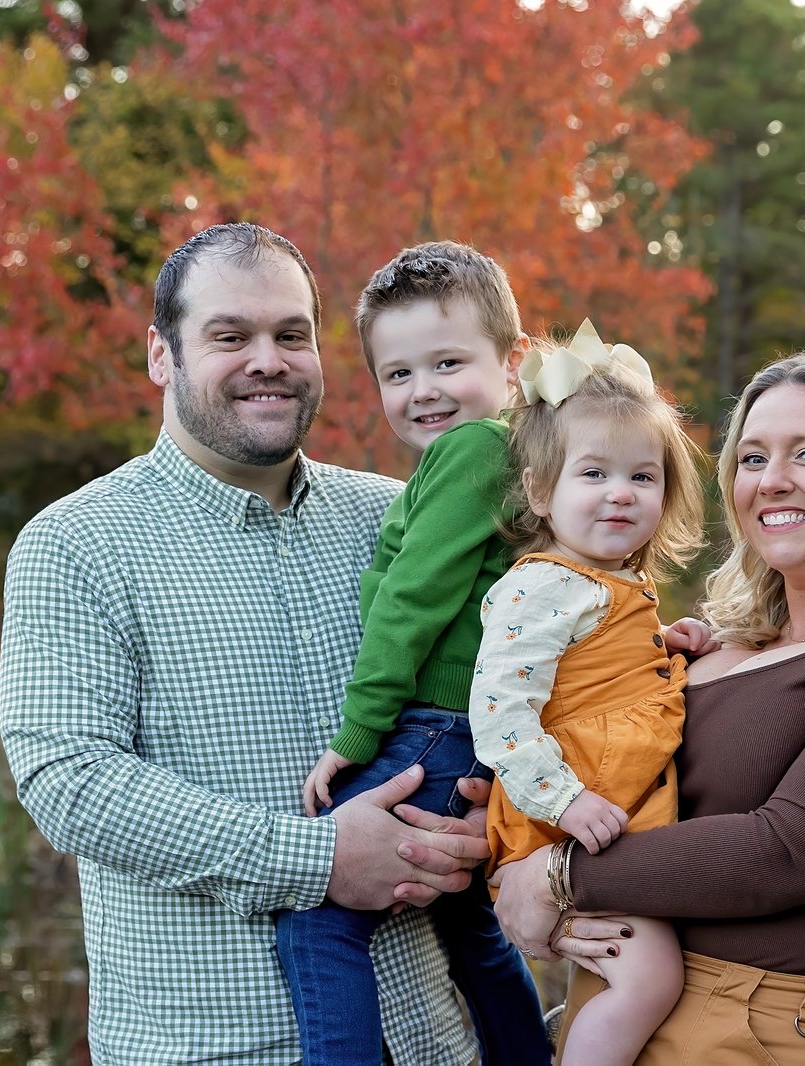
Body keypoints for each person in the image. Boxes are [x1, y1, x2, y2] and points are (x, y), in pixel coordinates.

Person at [0, 222, 493, 1065]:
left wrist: (491, 822)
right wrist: (318, 859)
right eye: (230, 337)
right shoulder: (77, 543)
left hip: (433, 1039)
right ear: (161, 355)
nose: (269, 360)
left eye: (292, 335)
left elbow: (518, 669)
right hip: (217, 1046)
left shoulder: (399, 517)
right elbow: (69, 781)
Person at [493, 353, 805, 1065]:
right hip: (625, 1006)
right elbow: (600, 762)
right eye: (752, 458)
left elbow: (790, 852)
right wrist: (492, 833)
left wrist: (561, 877)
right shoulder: (708, 647)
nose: (772, 481)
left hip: (778, 1030)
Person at [276, 240, 547, 1065]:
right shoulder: (509, 454)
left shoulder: (472, 450)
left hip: (432, 726)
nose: (423, 389)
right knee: (472, 930)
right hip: (473, 731)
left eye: (448, 362)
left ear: (513, 361)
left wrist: (357, 734)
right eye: (398, 373)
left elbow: (411, 603)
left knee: (317, 924)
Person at [471, 321, 714, 1066]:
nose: (620, 494)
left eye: (642, 477)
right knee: (650, 979)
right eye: (594, 473)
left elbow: (592, 669)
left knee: (633, 975)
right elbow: (502, 710)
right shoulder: (540, 586)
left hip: (597, 816)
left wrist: (662, 644)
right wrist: (564, 801)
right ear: (540, 491)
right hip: (564, 820)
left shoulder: (606, 585)